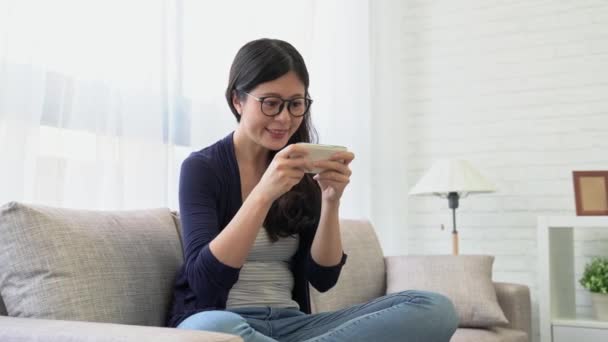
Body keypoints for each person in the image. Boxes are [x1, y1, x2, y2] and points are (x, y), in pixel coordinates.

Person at [167, 38, 458, 342]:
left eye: (295, 104)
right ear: (237, 100)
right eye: (270, 103)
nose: (285, 118)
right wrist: (263, 194)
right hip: (225, 322)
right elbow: (205, 281)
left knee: (434, 307)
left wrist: (331, 201)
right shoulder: (202, 168)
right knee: (208, 330)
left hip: (294, 326)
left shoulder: (300, 167)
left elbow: (323, 278)